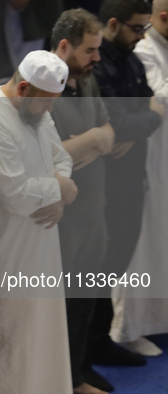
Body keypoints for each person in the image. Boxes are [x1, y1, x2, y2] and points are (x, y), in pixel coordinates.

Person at [0, 50, 76, 393]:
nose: (50, 110)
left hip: (43, 243)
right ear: (24, 88)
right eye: (46, 102)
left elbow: (61, 157)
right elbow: (12, 193)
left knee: (44, 334)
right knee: (13, 340)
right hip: (8, 251)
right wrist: (58, 189)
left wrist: (58, 195)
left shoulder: (37, 110)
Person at [90, 0, 163, 368]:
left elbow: (150, 108)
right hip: (104, 186)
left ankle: (99, 343)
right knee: (99, 269)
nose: (142, 36)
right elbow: (121, 120)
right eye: (137, 28)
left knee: (115, 265)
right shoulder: (98, 64)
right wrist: (137, 122)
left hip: (132, 178)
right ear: (114, 24)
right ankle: (90, 350)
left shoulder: (131, 59)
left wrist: (134, 126)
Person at [50, 9, 116, 394]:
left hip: (95, 209)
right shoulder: (43, 89)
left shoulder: (87, 79)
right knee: (64, 306)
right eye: (90, 50)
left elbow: (107, 130)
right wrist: (91, 141)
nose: (97, 58)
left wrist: (87, 141)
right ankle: (65, 379)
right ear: (64, 46)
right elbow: (49, 155)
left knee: (86, 302)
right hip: (64, 220)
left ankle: (79, 373)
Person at [111, 0, 168, 358]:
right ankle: (128, 326)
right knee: (141, 242)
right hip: (146, 164)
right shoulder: (145, 52)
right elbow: (154, 104)